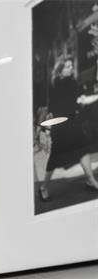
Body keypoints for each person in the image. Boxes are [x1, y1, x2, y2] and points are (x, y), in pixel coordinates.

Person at [38, 57, 98, 201]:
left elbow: (78, 101)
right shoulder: (55, 85)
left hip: (72, 124)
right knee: (55, 158)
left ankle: (91, 181)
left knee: (83, 150)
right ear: (60, 70)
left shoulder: (72, 82)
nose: (71, 68)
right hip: (61, 127)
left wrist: (88, 98)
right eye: (68, 66)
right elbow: (53, 108)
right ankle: (43, 187)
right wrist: (47, 130)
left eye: (72, 65)